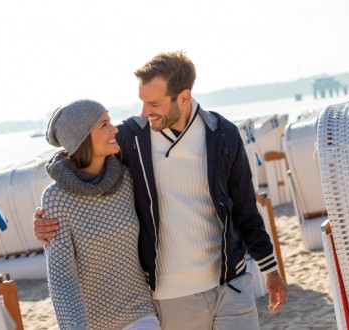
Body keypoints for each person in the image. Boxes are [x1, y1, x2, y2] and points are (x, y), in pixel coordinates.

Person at [34, 51, 287, 329]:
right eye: (142, 101)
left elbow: (244, 208)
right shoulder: (132, 138)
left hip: (232, 286)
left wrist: (270, 268)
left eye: (153, 103)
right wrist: (45, 220)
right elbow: (81, 161)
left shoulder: (223, 135)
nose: (144, 111)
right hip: (172, 298)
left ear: (184, 98)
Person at [40, 99, 159, 330]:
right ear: (82, 138)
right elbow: (61, 277)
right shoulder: (56, 198)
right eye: (104, 124)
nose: (114, 129)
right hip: (90, 324)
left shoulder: (125, 179)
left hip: (139, 312)